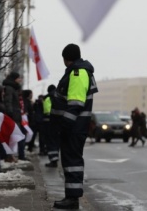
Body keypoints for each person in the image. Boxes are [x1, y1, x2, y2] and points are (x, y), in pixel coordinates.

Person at [51, 43, 98, 209]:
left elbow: (76, 104)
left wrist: (65, 125)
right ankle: (71, 197)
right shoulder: (77, 71)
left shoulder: (78, 73)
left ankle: (72, 200)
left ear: (66, 58)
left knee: (72, 162)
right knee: (70, 162)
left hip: (73, 127)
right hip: (74, 127)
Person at [3, 71, 28, 161]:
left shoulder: (14, 88)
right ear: (14, 79)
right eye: (18, 78)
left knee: (19, 135)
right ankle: (10, 155)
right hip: (13, 115)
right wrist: (10, 113)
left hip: (16, 115)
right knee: (15, 136)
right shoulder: (10, 88)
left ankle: (14, 155)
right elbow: (8, 101)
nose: (20, 80)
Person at [44, 84, 60, 168]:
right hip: (59, 122)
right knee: (56, 141)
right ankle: (55, 158)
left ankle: (53, 160)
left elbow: (47, 110)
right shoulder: (59, 96)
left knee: (50, 141)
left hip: (49, 122)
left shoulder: (48, 98)